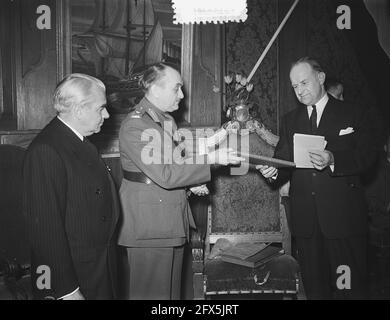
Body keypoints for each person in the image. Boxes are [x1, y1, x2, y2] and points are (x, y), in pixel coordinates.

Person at [256, 57, 379, 299]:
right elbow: (283, 161)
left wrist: (333, 158)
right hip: (307, 223)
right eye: (295, 86)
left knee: (350, 291)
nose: (300, 91)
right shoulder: (290, 120)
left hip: (343, 220)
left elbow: (367, 157)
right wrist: (272, 171)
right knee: (315, 290)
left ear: (320, 78)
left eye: (304, 83)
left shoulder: (353, 111)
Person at [118, 63, 243, 299]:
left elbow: (172, 166)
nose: (182, 95)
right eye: (177, 89)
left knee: (171, 297)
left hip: (167, 220)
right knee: (153, 297)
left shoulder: (164, 121)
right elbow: (166, 174)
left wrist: (190, 184)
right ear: (155, 89)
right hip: (150, 227)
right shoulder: (136, 124)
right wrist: (212, 158)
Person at [23, 73, 120, 300]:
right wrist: (66, 290)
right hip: (71, 277)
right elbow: (44, 231)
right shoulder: (46, 150)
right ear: (79, 110)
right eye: (101, 108)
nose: (106, 114)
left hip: (97, 265)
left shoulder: (79, 142)